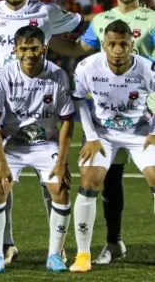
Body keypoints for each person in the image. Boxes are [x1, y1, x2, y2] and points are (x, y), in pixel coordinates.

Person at [0, 0, 81, 264]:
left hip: (41, 110)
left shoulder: (46, 11)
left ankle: (56, 249)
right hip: (5, 110)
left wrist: (83, 52)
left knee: (54, 187)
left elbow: (75, 26)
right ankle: (5, 246)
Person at [49, 0, 155, 265]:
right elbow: (79, 51)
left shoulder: (152, 19)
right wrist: (46, 39)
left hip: (144, 113)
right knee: (108, 179)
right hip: (107, 112)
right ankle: (112, 243)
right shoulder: (100, 21)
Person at [0, 25, 74, 273]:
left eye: (34, 48)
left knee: (61, 189)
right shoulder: (2, 76)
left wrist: (62, 162)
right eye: (23, 48)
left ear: (44, 48)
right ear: (15, 50)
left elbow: (67, 122)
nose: (29, 54)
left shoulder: (58, 76)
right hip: (13, 144)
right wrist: (0, 162)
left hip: (46, 143)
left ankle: (55, 255)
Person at [69, 20, 155, 272]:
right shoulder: (87, 67)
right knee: (88, 182)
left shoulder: (148, 68)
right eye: (112, 44)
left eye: (123, 45)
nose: (117, 50)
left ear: (132, 46)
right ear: (103, 45)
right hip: (103, 133)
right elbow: (78, 101)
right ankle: (83, 255)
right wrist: (91, 136)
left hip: (139, 130)